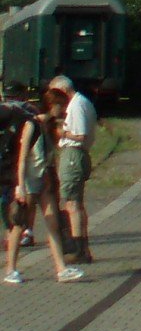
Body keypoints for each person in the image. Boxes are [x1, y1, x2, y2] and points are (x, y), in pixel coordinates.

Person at [6, 88, 84, 283]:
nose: (65, 110)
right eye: (62, 106)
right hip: (30, 181)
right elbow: (22, 158)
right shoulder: (31, 125)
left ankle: (61, 268)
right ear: (53, 105)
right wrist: (20, 185)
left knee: (53, 224)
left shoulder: (49, 127)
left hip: (44, 182)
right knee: (19, 225)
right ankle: (11, 269)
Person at [49, 75, 96, 263]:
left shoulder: (76, 105)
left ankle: (77, 250)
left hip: (73, 154)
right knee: (76, 202)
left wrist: (61, 131)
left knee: (71, 203)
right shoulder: (83, 102)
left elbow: (80, 135)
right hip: (79, 155)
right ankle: (83, 247)